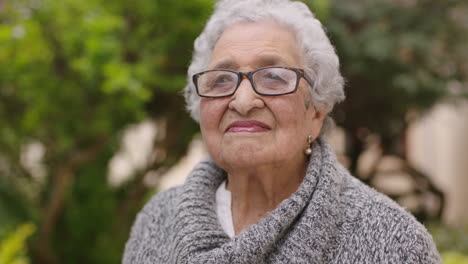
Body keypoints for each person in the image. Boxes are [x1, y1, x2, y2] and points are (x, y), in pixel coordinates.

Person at [123, 0, 441, 263]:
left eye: (274, 76)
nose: (243, 101)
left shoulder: (394, 242)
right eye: (221, 79)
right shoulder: (157, 220)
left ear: (316, 110)